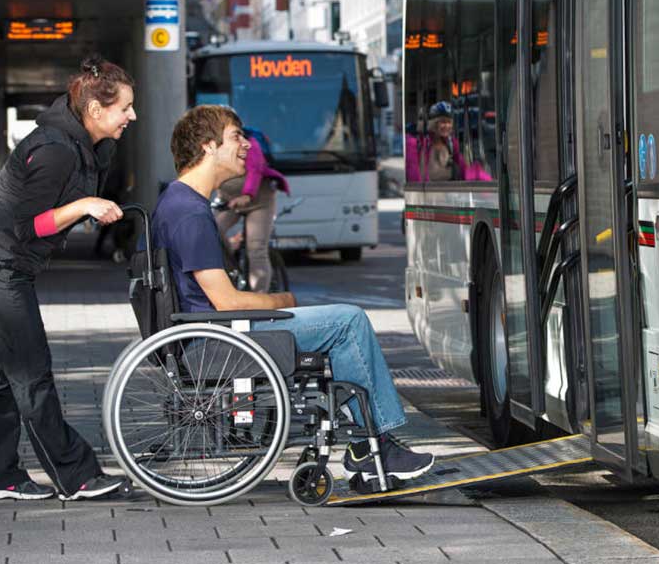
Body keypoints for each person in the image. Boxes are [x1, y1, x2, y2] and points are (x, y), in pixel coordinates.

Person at [151, 105, 435, 483]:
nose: (248, 146)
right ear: (207, 147)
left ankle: (368, 443)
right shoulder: (189, 212)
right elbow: (227, 302)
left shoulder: (179, 202)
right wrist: (281, 301)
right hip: (216, 343)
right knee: (348, 321)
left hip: (208, 336)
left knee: (340, 322)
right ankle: (374, 444)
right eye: (237, 137)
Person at [0, 55, 135, 501]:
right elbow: (26, 225)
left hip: (2, 257)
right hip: (0, 259)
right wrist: (82, 207)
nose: (132, 116)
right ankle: (75, 475)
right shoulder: (55, 149)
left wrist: (85, 206)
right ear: (96, 110)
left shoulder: (93, 146)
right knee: (31, 371)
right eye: (125, 108)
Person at [212, 126, 289, 291]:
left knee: (256, 249)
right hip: (230, 201)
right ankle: (231, 262)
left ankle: (259, 297)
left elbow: (255, 169)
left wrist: (247, 195)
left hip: (259, 201)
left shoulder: (248, 144)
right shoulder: (213, 146)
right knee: (212, 230)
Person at [405, 101, 491, 182]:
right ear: (433, 124)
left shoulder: (451, 144)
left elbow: (465, 171)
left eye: (449, 122)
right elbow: (415, 175)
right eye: (442, 122)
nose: (447, 126)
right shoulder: (419, 144)